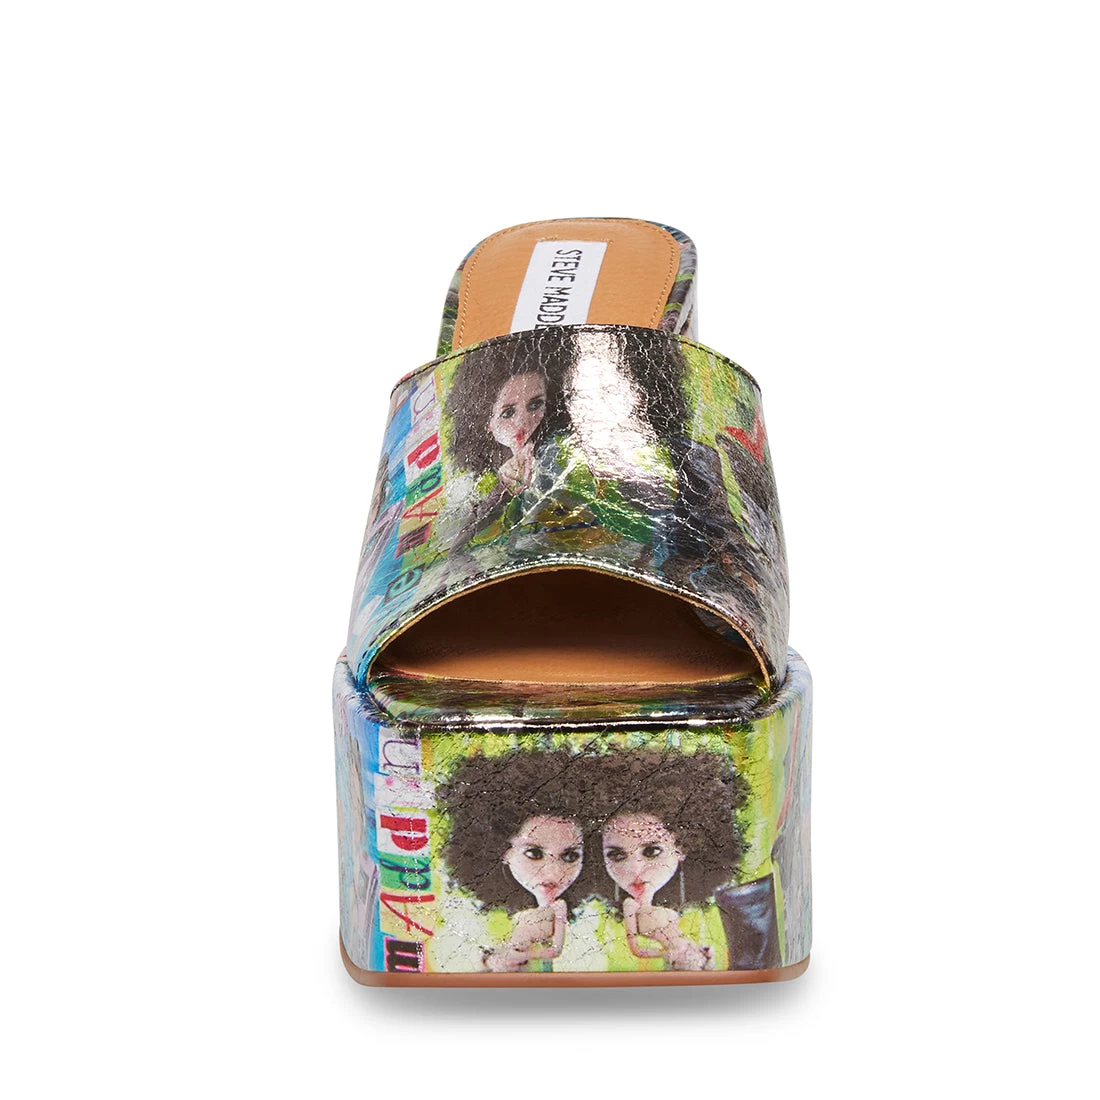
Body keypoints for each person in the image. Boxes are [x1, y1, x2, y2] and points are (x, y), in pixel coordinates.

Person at [437, 749, 602, 972]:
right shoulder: (466, 911)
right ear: (502, 849)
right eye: (534, 854)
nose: (553, 872)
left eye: (570, 856)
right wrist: (494, 960)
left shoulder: (588, 913)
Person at [593, 749, 750, 971]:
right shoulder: (596, 919)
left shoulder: (725, 912)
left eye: (651, 851)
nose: (634, 869)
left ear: (682, 846)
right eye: (616, 855)